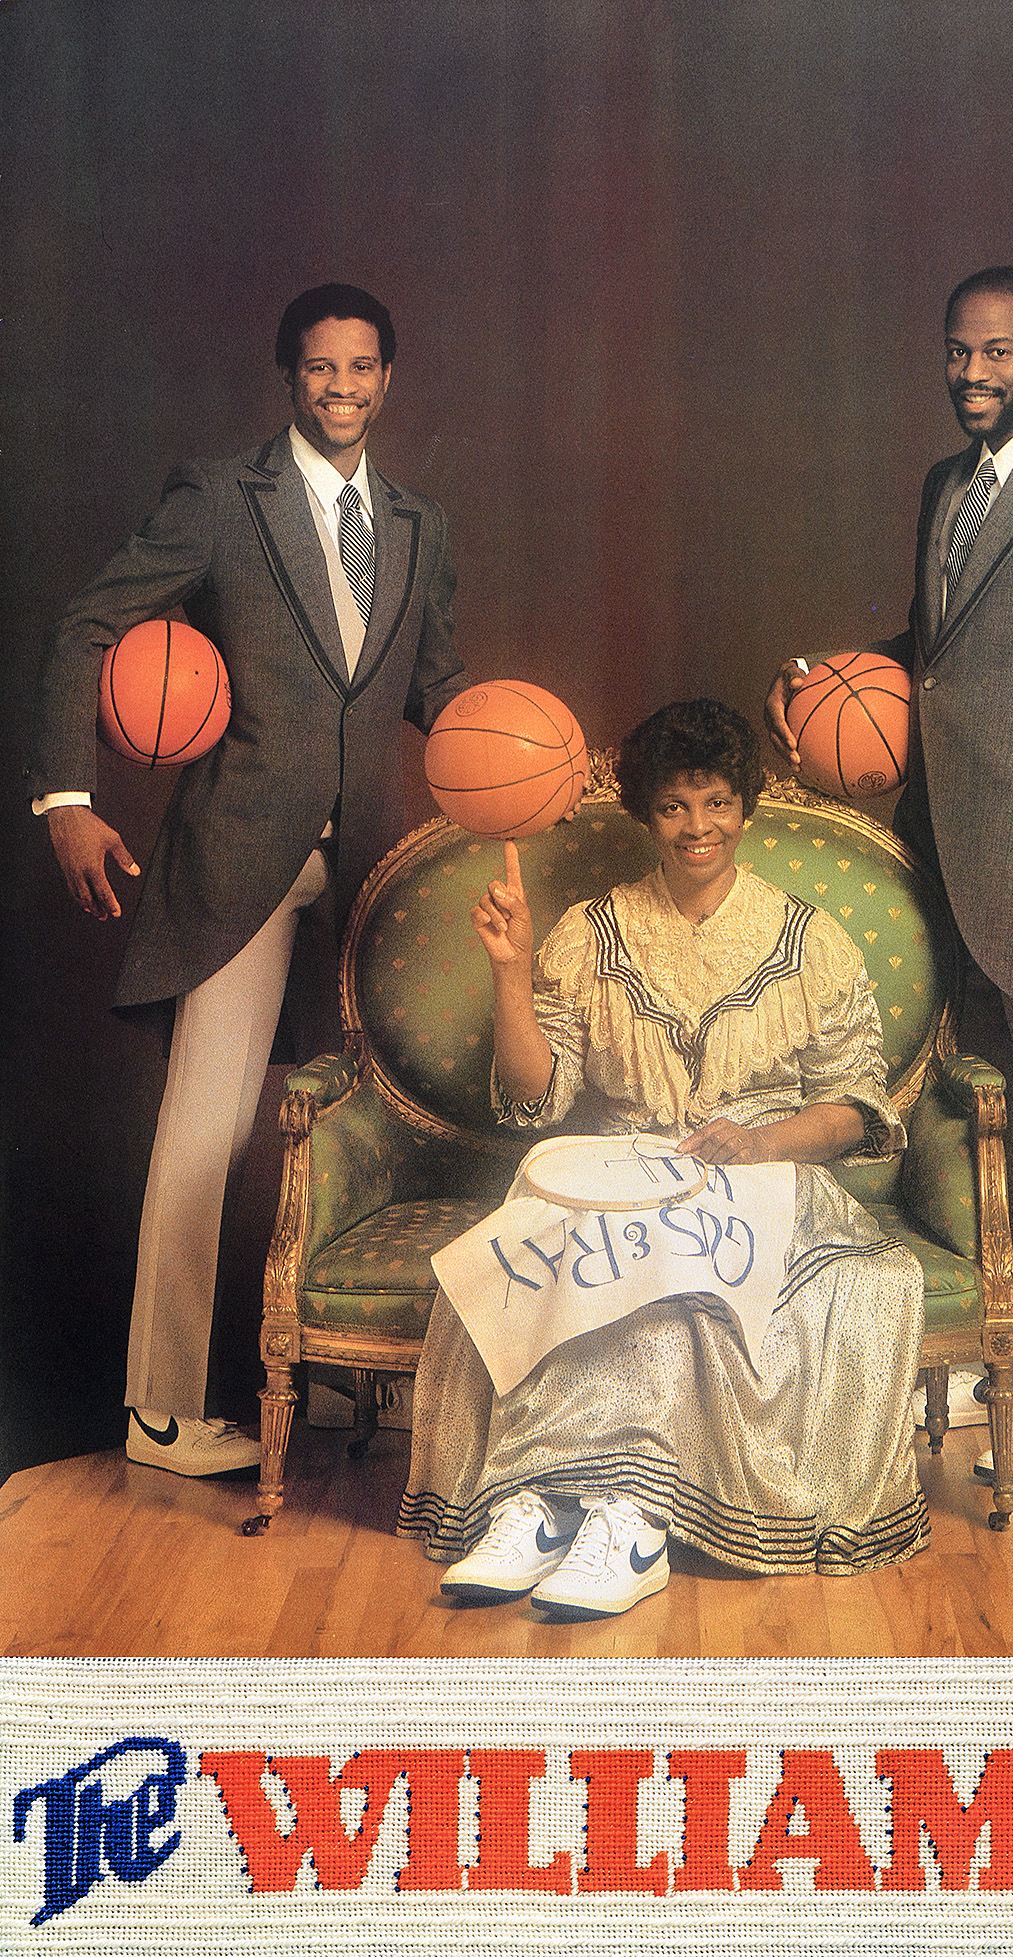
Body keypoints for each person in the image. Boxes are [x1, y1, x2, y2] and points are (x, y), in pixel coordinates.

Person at [28, 283, 468, 1476]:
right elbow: (84, 626)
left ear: (390, 379)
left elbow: (437, 694)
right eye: (320, 369)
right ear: (290, 378)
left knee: (351, 1124)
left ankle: (334, 1386)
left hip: (368, 867)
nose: (342, 388)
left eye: (362, 368)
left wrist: (532, 749)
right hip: (236, 862)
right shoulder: (222, 499)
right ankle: (161, 1410)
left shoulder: (419, 525)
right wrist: (68, 801)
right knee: (206, 1134)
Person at [765, 266, 1013, 1486]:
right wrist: (829, 675)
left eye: (998, 353)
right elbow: (935, 655)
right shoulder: (948, 485)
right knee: (979, 1128)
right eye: (959, 353)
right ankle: (1008, 1366)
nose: (974, 374)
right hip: (948, 855)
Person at [397, 700, 929, 1620]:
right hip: (626, 1160)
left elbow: (857, 1108)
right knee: (541, 1237)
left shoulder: (809, 938)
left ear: (746, 807)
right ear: (647, 811)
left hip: (773, 1174)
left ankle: (630, 1519)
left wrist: (758, 1143)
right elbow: (535, 1100)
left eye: (717, 802)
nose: (698, 827)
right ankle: (539, 1505)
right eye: (676, 806)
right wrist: (512, 971)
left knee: (676, 1261)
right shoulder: (588, 931)